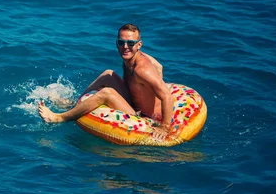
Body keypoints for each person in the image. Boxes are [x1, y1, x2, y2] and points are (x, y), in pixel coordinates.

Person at [38, 23, 174, 141]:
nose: (125, 47)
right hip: (134, 103)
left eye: (130, 43)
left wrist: (164, 127)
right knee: (108, 74)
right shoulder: (131, 58)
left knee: (107, 93)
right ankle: (76, 105)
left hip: (145, 117)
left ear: (139, 45)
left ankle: (59, 118)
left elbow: (167, 96)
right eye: (121, 42)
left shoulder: (142, 69)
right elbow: (159, 66)